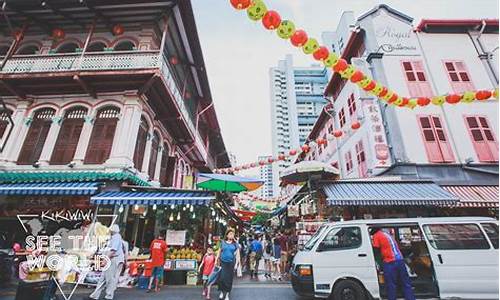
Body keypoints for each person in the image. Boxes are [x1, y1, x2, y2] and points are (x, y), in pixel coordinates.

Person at [370, 227, 416, 300]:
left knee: (391, 284)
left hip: (390, 262)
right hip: (400, 260)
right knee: (405, 282)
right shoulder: (387, 234)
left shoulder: (376, 235)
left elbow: (375, 250)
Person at [88, 224, 125, 300]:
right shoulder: (113, 237)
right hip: (112, 259)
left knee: (109, 278)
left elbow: (113, 251)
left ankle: (108, 296)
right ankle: (95, 296)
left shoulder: (116, 237)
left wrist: (105, 260)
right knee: (103, 278)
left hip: (114, 259)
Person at [216, 228, 241, 300]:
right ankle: (221, 292)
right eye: (230, 234)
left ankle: (227, 294)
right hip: (223, 263)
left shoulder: (235, 244)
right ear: (227, 235)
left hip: (231, 263)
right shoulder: (222, 242)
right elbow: (219, 251)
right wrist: (216, 260)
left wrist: (236, 264)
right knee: (222, 278)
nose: (231, 235)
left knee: (229, 280)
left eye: (233, 234)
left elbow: (238, 254)